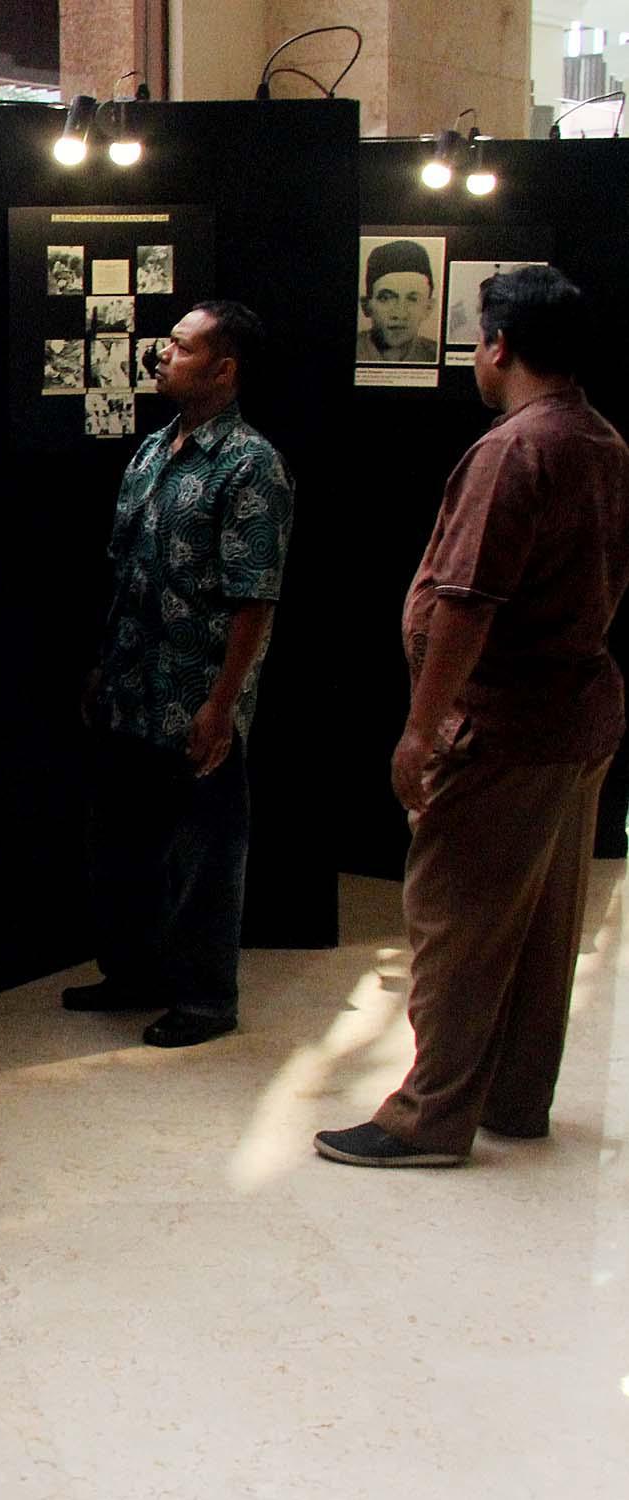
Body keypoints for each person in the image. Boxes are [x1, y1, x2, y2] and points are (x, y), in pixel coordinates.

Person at [316, 266, 629, 1167]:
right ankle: (514, 1096)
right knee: (539, 924)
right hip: (576, 718)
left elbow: (466, 601)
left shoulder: (515, 449)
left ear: (498, 345)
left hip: (506, 723)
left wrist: (422, 729)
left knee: (454, 918)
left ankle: (430, 1116)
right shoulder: (602, 439)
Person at [69, 301, 294, 1047]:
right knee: (122, 845)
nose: (162, 354)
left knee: (204, 855)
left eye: (181, 346)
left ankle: (204, 1000)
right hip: (131, 689)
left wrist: (222, 703)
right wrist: (103, 667)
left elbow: (254, 597)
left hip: (195, 694)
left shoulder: (250, 465)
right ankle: (132, 974)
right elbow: (125, 569)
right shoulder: (153, 450)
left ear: (224, 369)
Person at [358, 239, 440, 363]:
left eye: (413, 299)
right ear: (366, 306)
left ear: (428, 308)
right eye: (385, 298)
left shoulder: (434, 354)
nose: (399, 313)